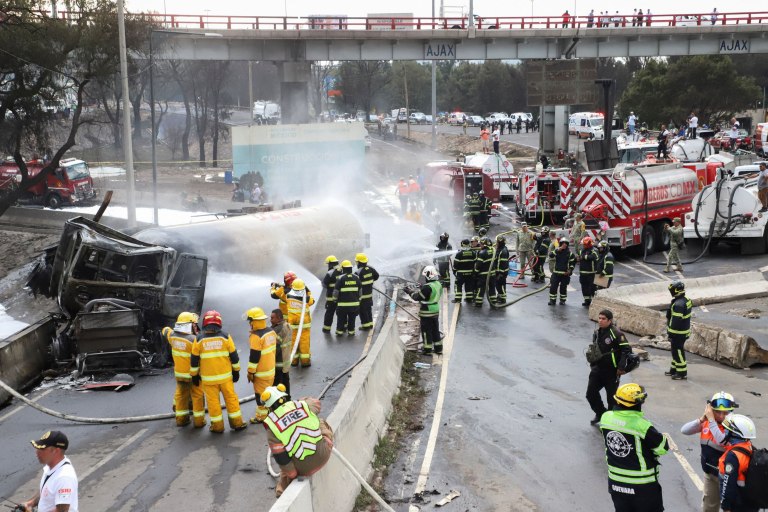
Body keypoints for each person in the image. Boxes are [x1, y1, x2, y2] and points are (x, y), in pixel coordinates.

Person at [599, 383, 669, 511]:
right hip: (642, 486)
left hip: (616, 483)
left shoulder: (605, 418)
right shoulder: (642, 426)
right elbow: (663, 447)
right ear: (638, 403)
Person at [261, 385, 334, 498]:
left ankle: (281, 492)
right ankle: (328, 442)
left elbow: (281, 457)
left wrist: (292, 474)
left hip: (302, 469)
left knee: (285, 468)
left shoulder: (272, 425)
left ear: (269, 407)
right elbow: (317, 404)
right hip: (324, 454)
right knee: (319, 421)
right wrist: (301, 402)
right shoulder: (301, 405)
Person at [680, 391, 739, 512]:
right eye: (718, 412)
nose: (722, 416)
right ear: (711, 410)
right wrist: (702, 419)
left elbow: (721, 440)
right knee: (709, 508)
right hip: (711, 475)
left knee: (731, 508)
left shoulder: (734, 428)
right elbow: (684, 430)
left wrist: (712, 420)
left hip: (729, 477)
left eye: (725, 412)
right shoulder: (706, 423)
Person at [191, 310, 246, 433]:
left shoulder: (199, 339)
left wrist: (194, 376)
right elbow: (234, 356)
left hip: (208, 380)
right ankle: (237, 423)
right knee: (231, 400)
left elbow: (194, 360)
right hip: (226, 379)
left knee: (213, 403)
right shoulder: (226, 337)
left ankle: (217, 427)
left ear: (205, 323)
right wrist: (236, 371)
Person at [587, 310, 632, 425]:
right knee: (590, 394)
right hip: (597, 369)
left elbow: (626, 350)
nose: (600, 321)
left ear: (609, 321)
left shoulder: (616, 333)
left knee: (611, 400)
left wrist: (621, 367)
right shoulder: (597, 332)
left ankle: (610, 422)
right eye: (599, 318)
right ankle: (601, 413)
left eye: (603, 319)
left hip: (612, 372)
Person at [162, 312, 205, 428]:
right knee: (197, 396)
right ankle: (199, 421)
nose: (196, 326)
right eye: (194, 324)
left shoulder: (172, 336)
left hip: (179, 375)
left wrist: (167, 328)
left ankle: (181, 419)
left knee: (181, 396)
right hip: (193, 374)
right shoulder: (193, 340)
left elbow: (165, 330)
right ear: (188, 325)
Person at [21, 431, 78, 512]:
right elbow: (46, 492)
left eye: (42, 449)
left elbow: (61, 511)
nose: (37, 452)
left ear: (56, 451)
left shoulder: (64, 477)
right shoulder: (50, 467)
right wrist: (30, 504)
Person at [718, 413, 759, 512]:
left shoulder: (733, 456)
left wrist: (726, 506)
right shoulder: (749, 446)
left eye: (728, 429)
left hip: (737, 504)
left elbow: (729, 483)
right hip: (750, 503)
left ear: (735, 433)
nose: (725, 431)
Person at [245, 307, 277, 424]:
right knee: (269, 392)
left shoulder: (256, 336)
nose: (249, 324)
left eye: (250, 321)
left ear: (254, 321)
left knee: (260, 395)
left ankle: (262, 417)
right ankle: (270, 413)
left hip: (261, 372)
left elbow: (254, 356)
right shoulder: (271, 332)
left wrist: (250, 372)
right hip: (271, 370)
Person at [408, 265, 443, 354]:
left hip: (427, 311)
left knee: (426, 331)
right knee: (435, 330)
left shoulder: (427, 287)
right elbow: (431, 292)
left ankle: (427, 349)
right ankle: (438, 348)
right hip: (435, 310)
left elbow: (417, 297)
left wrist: (409, 291)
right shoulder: (438, 284)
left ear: (428, 276)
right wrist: (422, 287)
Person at [665, 280, 692, 380]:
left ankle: (681, 373)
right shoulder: (686, 300)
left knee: (678, 352)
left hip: (678, 333)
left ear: (676, 290)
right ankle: (674, 369)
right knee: (675, 351)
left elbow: (675, 321)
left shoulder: (678, 304)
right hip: (684, 331)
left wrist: (670, 333)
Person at [286, 278, 315, 367]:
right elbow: (312, 301)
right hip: (304, 325)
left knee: (293, 342)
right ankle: (305, 361)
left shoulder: (288, 296)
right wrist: (308, 292)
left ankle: (294, 361)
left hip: (292, 325)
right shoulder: (306, 298)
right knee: (304, 342)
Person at [333, 260, 361, 336]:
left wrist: (334, 299)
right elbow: (360, 290)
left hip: (342, 305)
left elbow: (336, 291)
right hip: (354, 305)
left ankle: (339, 332)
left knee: (341, 319)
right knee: (352, 319)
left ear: (343, 268)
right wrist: (359, 299)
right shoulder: (356, 277)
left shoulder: (340, 278)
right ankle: (351, 332)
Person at [355, 253, 379, 330]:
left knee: (362, 310)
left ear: (359, 262)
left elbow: (356, 283)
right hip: (369, 294)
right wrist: (371, 281)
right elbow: (377, 276)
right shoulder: (370, 269)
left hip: (362, 295)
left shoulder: (358, 272)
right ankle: (370, 324)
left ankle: (365, 326)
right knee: (368, 309)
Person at [548, 237, 576, 306]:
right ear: (560, 244)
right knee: (553, 287)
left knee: (563, 288)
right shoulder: (557, 251)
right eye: (562, 243)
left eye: (565, 244)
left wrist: (570, 271)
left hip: (564, 274)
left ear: (567, 245)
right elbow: (551, 255)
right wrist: (558, 250)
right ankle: (552, 300)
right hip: (556, 273)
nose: (564, 245)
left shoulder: (570, 254)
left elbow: (572, 264)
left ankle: (562, 300)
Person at [271, 309, 292, 394]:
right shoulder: (287, 326)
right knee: (286, 383)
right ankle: (288, 400)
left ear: (279, 318)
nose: (270, 320)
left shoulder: (277, 330)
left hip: (278, 363)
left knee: (278, 387)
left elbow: (275, 347)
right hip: (285, 362)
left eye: (272, 318)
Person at [322, 255, 342, 333]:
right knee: (341, 314)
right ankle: (342, 328)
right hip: (341, 298)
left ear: (331, 264)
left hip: (331, 298)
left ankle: (326, 329)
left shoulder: (330, 273)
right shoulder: (342, 271)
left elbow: (324, 284)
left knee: (329, 313)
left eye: (328, 264)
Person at [452, 238, 476, 303]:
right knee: (469, 286)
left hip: (461, 274)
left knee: (458, 285)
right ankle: (469, 298)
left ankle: (458, 299)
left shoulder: (459, 254)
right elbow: (475, 263)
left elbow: (456, 264)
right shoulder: (473, 253)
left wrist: (454, 270)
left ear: (462, 244)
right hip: (470, 273)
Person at [473, 237, 493, 307]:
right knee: (492, 287)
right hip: (492, 274)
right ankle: (493, 301)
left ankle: (478, 302)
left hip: (484, 275)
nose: (480, 245)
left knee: (481, 288)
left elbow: (478, 265)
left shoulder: (482, 253)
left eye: (481, 244)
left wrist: (475, 273)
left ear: (484, 244)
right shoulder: (493, 251)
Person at [579, 236, 599, 307]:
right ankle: (587, 300)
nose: (583, 246)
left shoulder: (594, 250)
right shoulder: (582, 250)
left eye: (584, 244)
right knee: (584, 288)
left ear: (588, 244)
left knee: (592, 288)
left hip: (592, 273)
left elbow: (593, 257)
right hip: (583, 272)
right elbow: (580, 257)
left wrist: (584, 257)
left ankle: (594, 301)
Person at [491, 234, 510, 305]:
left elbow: (503, 263)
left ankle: (503, 298)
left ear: (500, 242)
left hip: (502, 272)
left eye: (497, 242)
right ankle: (499, 296)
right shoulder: (499, 249)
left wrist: (500, 273)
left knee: (500, 285)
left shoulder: (503, 251)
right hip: (498, 271)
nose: (496, 243)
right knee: (498, 284)